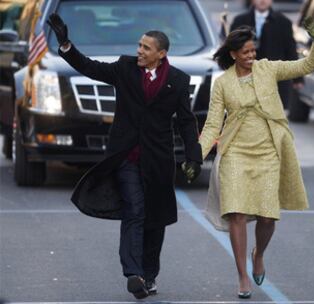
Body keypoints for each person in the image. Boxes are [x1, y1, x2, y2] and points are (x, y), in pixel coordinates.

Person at [47, 14, 201, 299]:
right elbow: (90, 68)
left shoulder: (178, 81)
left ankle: (149, 274)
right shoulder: (124, 68)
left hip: (158, 161)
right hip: (126, 157)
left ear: (161, 54)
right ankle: (134, 273)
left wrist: (194, 157)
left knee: (155, 220)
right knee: (134, 210)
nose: (139, 51)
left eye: (146, 48)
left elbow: (186, 121)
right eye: (139, 45)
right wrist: (66, 44)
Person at [199, 17, 314, 299]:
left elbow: (307, 66)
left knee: (268, 217)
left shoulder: (268, 69)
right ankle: (242, 274)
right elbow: (212, 125)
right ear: (233, 54)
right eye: (246, 53)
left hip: (268, 150)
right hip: (235, 153)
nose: (251, 56)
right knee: (237, 214)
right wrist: (198, 153)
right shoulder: (222, 84)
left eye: (253, 51)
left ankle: (259, 254)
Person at [231, 0, 303, 109]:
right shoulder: (239, 22)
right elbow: (231, 50)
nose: (263, 0)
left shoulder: (284, 22)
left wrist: (298, 78)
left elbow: (291, 51)